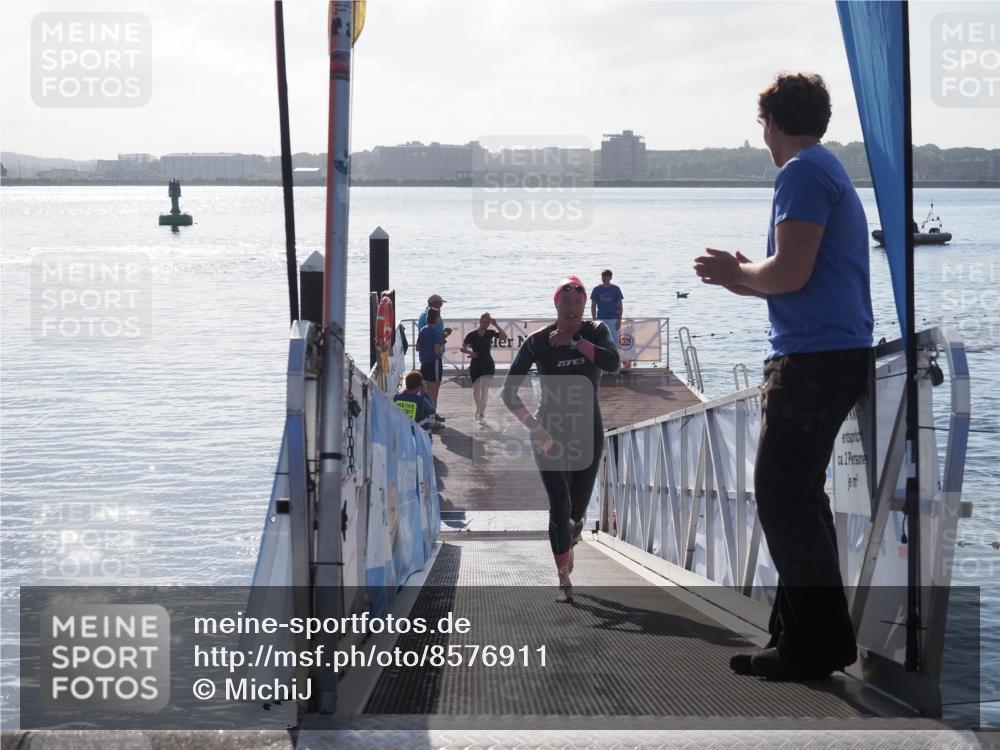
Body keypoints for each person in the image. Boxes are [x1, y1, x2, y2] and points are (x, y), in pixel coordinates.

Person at [694, 72, 873, 681]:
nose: (763, 137)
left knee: (780, 496)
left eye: (762, 125)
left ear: (771, 121)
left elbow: (790, 275)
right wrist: (746, 275)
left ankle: (815, 645)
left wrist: (736, 273)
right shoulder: (825, 169)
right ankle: (800, 636)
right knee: (799, 498)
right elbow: (798, 280)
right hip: (829, 353)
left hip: (813, 362)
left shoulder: (800, 173)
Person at [502, 276, 620, 602]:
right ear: (555, 304)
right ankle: (563, 577)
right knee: (559, 504)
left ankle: (573, 533)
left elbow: (613, 363)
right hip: (548, 432)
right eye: (565, 303)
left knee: (576, 512)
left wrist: (574, 342)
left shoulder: (596, 333)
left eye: (578, 304)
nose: (571, 309)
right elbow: (509, 392)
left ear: (585, 306)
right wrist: (533, 427)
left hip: (588, 431)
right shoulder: (537, 341)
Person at [460, 313, 508, 423]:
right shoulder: (471, 334)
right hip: (476, 363)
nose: (485, 324)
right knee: (476, 388)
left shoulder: (490, 332)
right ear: (480, 321)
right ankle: (478, 407)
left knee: (485, 389)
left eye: (487, 323)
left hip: (488, 363)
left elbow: (504, 337)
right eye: (484, 322)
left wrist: (496, 325)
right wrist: (470, 352)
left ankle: (482, 412)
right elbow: (462, 348)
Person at [418, 294, 450, 424]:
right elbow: (437, 350)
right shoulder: (436, 332)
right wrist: (442, 342)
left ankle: (425, 414)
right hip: (434, 362)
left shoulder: (422, 330)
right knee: (434, 390)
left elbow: (418, 347)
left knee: (425, 388)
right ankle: (432, 417)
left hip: (424, 361)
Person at [393, 370, 436, 436]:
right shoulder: (421, 400)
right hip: (417, 435)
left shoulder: (396, 398)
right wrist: (425, 393)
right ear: (420, 385)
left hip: (401, 433)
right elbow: (432, 411)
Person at [590, 269, 623, 348]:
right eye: (603, 276)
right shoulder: (596, 289)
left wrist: (619, 320)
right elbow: (593, 305)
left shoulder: (616, 289)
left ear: (610, 277)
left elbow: (620, 306)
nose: (604, 278)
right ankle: (602, 359)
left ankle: (616, 359)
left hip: (613, 319)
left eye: (606, 276)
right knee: (601, 340)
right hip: (601, 319)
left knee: (615, 341)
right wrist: (594, 319)